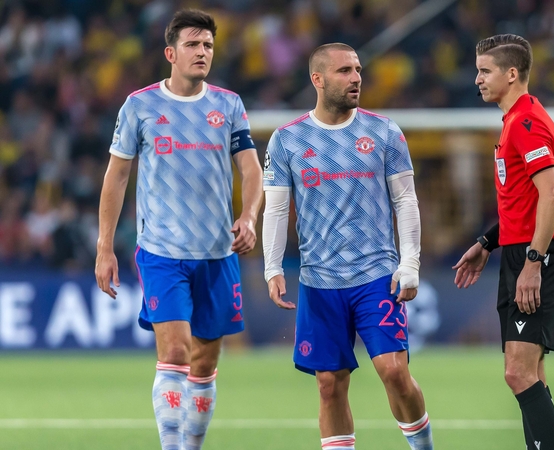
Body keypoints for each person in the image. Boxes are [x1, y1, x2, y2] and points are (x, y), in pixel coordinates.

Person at [94, 9, 261, 450]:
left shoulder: (228, 105)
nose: (202, 51)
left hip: (218, 253)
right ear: (171, 52)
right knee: (175, 353)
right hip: (162, 252)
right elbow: (117, 176)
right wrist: (104, 247)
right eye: (192, 44)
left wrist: (249, 217)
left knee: (205, 363)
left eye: (207, 45)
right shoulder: (140, 105)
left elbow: (251, 169)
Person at [261, 43, 433, 450]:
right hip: (320, 281)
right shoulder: (287, 140)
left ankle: (423, 446)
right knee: (328, 384)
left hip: (377, 276)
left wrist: (410, 262)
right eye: (344, 71)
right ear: (317, 79)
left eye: (357, 69)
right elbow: (277, 207)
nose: (356, 78)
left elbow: (405, 200)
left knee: (394, 371)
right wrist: (272, 267)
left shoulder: (385, 132)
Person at [453, 34, 554, 450]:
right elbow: (524, 204)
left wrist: (533, 263)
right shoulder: (515, 121)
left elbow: (552, 194)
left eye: (484, 71)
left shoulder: (525, 123)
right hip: (521, 252)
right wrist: (487, 243)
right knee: (531, 373)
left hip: (537, 257)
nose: (477, 80)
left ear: (511, 73)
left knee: (517, 373)